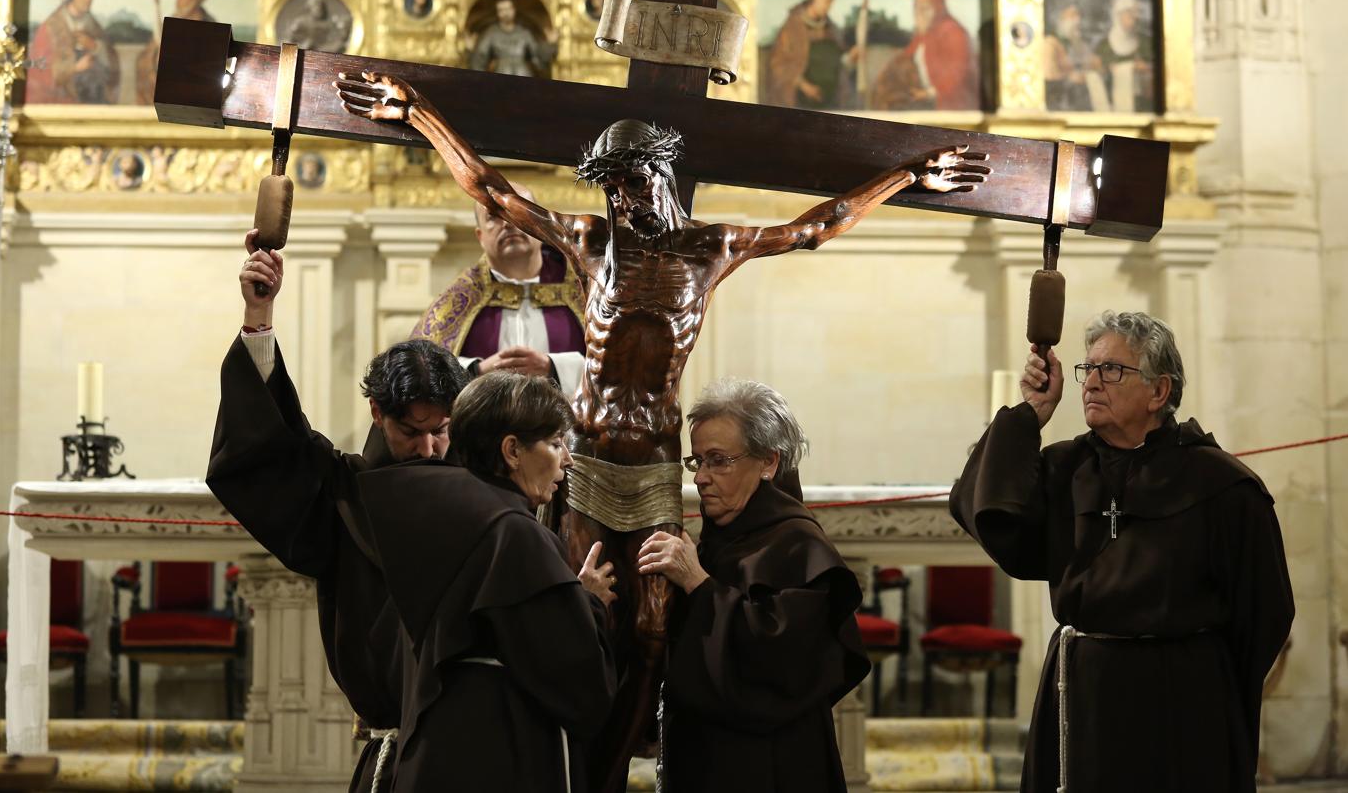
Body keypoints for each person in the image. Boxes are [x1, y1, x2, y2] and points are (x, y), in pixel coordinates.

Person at [334, 70, 987, 793]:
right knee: (583, 614)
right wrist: (419, 114)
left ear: (663, 174)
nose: (624, 202)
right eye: (612, 190)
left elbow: (816, 226)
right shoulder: (588, 241)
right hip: (582, 461)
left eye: (634, 185)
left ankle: (615, 772)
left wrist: (906, 175)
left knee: (651, 628)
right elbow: (491, 190)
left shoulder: (712, 248)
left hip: (650, 469)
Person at [949, 311, 1294, 793]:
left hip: (1183, 704)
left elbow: (1265, 614)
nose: (1091, 382)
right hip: (1081, 696)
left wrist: (1205, 684)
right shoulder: (1065, 468)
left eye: (1111, 370)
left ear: (1159, 391)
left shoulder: (1223, 485)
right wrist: (1030, 415)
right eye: (1087, 368)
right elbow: (990, 515)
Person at [207, 229, 472, 793]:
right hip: (391, 747)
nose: (427, 448)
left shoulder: (482, 487)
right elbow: (267, 449)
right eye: (410, 431)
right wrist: (259, 315)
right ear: (377, 412)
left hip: (476, 742)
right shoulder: (344, 491)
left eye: (440, 431)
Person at [356, 370, 619, 791]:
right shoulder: (514, 534)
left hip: (433, 750)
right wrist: (586, 602)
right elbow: (581, 687)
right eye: (555, 443)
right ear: (512, 450)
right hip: (496, 755)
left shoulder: (434, 512)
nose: (567, 459)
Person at [638, 378, 869, 792]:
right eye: (697, 462)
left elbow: (784, 664)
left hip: (772, 765)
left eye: (719, 460)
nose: (702, 478)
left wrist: (699, 585)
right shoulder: (715, 541)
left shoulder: (798, 544)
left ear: (768, 463)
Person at [412, 188, 586, 397]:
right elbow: (421, 372)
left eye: (519, 211)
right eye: (493, 216)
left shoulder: (584, 293)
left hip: (567, 428)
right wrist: (478, 371)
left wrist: (554, 368)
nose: (508, 223)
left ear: (541, 228)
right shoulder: (459, 300)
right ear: (480, 236)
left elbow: (620, 368)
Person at [873, 0, 978, 111]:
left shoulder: (954, 32)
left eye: (925, 7)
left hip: (949, 104)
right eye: (916, 6)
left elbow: (957, 74)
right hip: (923, 97)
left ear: (939, 7)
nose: (918, 12)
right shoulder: (925, 32)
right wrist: (887, 74)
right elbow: (907, 54)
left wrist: (929, 93)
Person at [764, 0, 854, 110]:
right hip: (801, 101)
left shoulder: (831, 29)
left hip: (830, 101)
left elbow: (837, 63)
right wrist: (804, 86)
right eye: (826, 1)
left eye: (831, 2)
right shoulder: (792, 28)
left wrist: (850, 59)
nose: (829, 6)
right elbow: (778, 65)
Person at [27, 0, 120, 105]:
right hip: (64, 101)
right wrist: (74, 68)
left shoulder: (92, 25)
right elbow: (40, 70)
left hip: (95, 99)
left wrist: (96, 47)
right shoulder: (50, 27)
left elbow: (113, 61)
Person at [468, 0, 558, 77]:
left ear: (513, 10)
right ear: (498, 13)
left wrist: (550, 44)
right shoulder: (491, 33)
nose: (505, 13)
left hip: (523, 74)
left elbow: (538, 58)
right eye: (501, 10)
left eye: (508, 9)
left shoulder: (524, 33)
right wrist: (470, 50)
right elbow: (479, 59)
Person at [1095, 0, 1154, 112]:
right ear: (1118, 16)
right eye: (1129, 14)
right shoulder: (1103, 45)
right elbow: (1098, 73)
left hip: (1143, 102)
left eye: (1135, 14)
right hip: (1114, 104)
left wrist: (1145, 68)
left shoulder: (1145, 41)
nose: (1134, 18)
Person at [1044, 4, 1106, 112]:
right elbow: (1049, 78)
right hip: (1061, 104)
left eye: (1078, 15)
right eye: (1072, 16)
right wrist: (1069, 79)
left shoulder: (1080, 43)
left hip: (1085, 101)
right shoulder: (1050, 44)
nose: (1077, 20)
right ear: (1060, 19)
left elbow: (1093, 65)